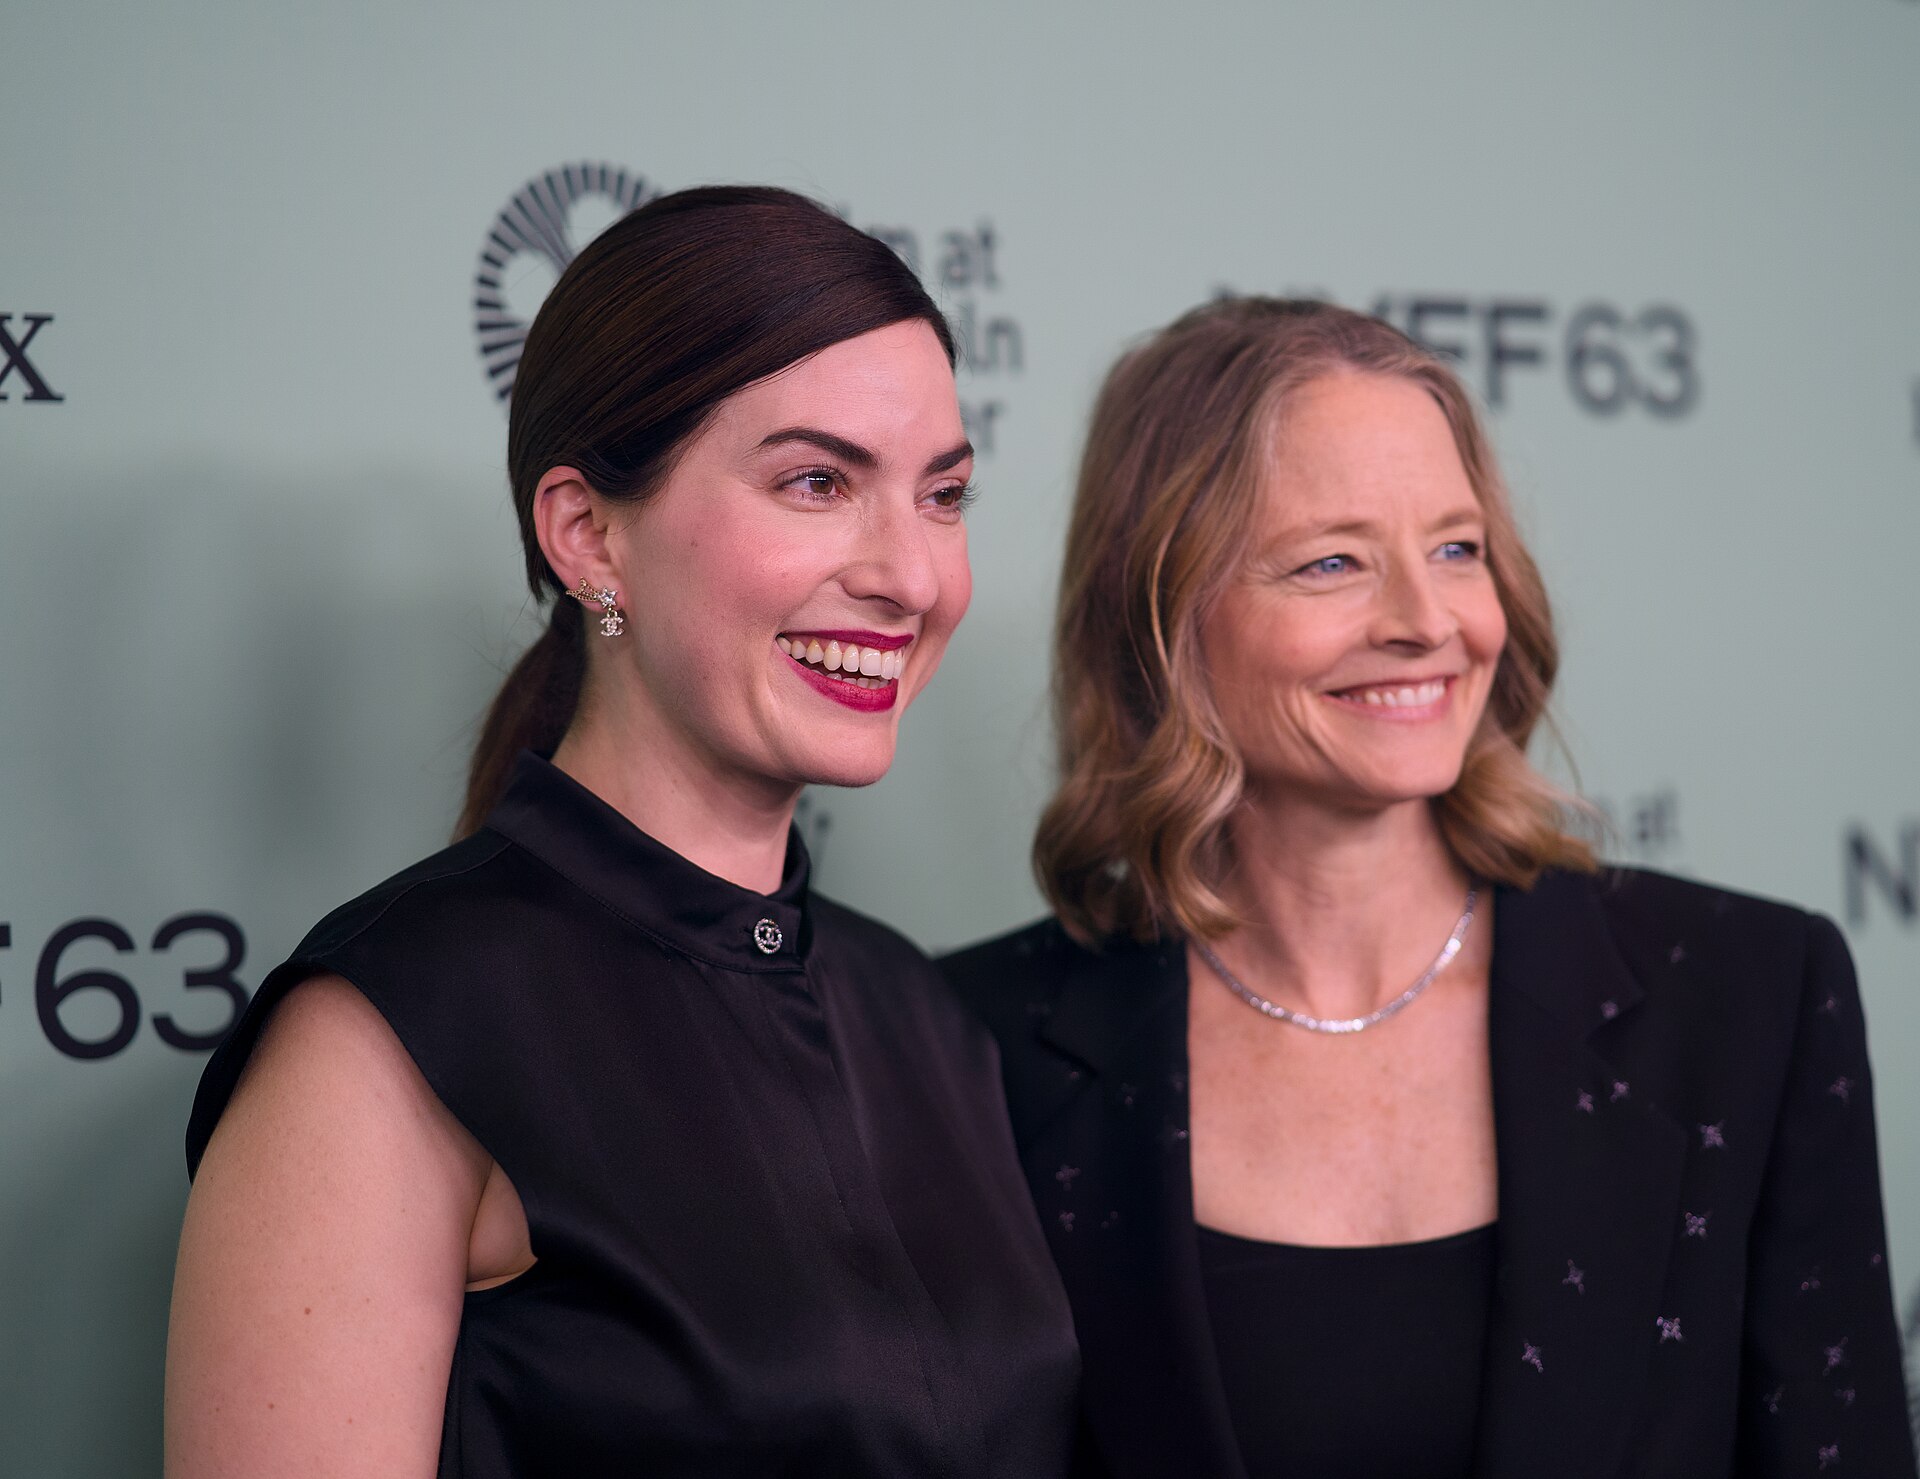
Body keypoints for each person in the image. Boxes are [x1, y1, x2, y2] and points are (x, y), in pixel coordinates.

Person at [165, 186, 1078, 1479]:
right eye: (818, 481)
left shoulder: (927, 1022)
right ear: (588, 533)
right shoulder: (387, 1030)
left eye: (943, 493)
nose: (912, 574)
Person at [942, 298, 1915, 1479]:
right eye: (1333, 562)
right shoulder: (968, 1055)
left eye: (1457, 549)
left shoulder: (1747, 996)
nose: (1427, 622)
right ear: (1163, 620)